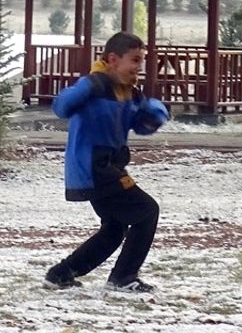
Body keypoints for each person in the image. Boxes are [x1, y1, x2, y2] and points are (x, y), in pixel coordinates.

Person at [44, 32, 170, 293]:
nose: (139, 68)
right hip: (93, 167)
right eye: (134, 60)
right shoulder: (95, 84)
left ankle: (60, 274)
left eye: (141, 62)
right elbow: (61, 107)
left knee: (114, 228)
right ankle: (124, 277)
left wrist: (154, 112)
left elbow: (141, 126)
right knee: (147, 211)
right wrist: (88, 87)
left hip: (108, 167)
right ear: (113, 59)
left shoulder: (126, 92)